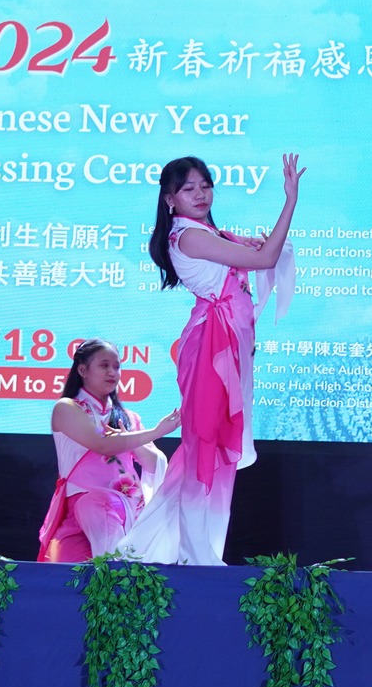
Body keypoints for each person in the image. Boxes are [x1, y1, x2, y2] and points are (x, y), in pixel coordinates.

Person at [120, 154, 301, 565]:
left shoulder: (211, 233)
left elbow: (255, 256)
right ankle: (192, 551)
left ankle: (187, 549)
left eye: (205, 185)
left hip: (225, 347)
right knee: (203, 447)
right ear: (170, 199)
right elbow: (264, 259)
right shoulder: (189, 236)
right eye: (188, 188)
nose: (200, 193)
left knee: (213, 449)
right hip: (209, 347)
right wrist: (289, 201)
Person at [36, 338, 180, 563]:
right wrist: (156, 431)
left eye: (117, 366)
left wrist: (134, 439)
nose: (113, 372)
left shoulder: (129, 418)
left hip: (120, 507)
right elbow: (101, 445)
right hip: (77, 506)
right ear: (83, 369)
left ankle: (117, 582)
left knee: (100, 510)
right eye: (104, 365)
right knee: (64, 579)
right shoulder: (67, 408)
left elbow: (154, 463)